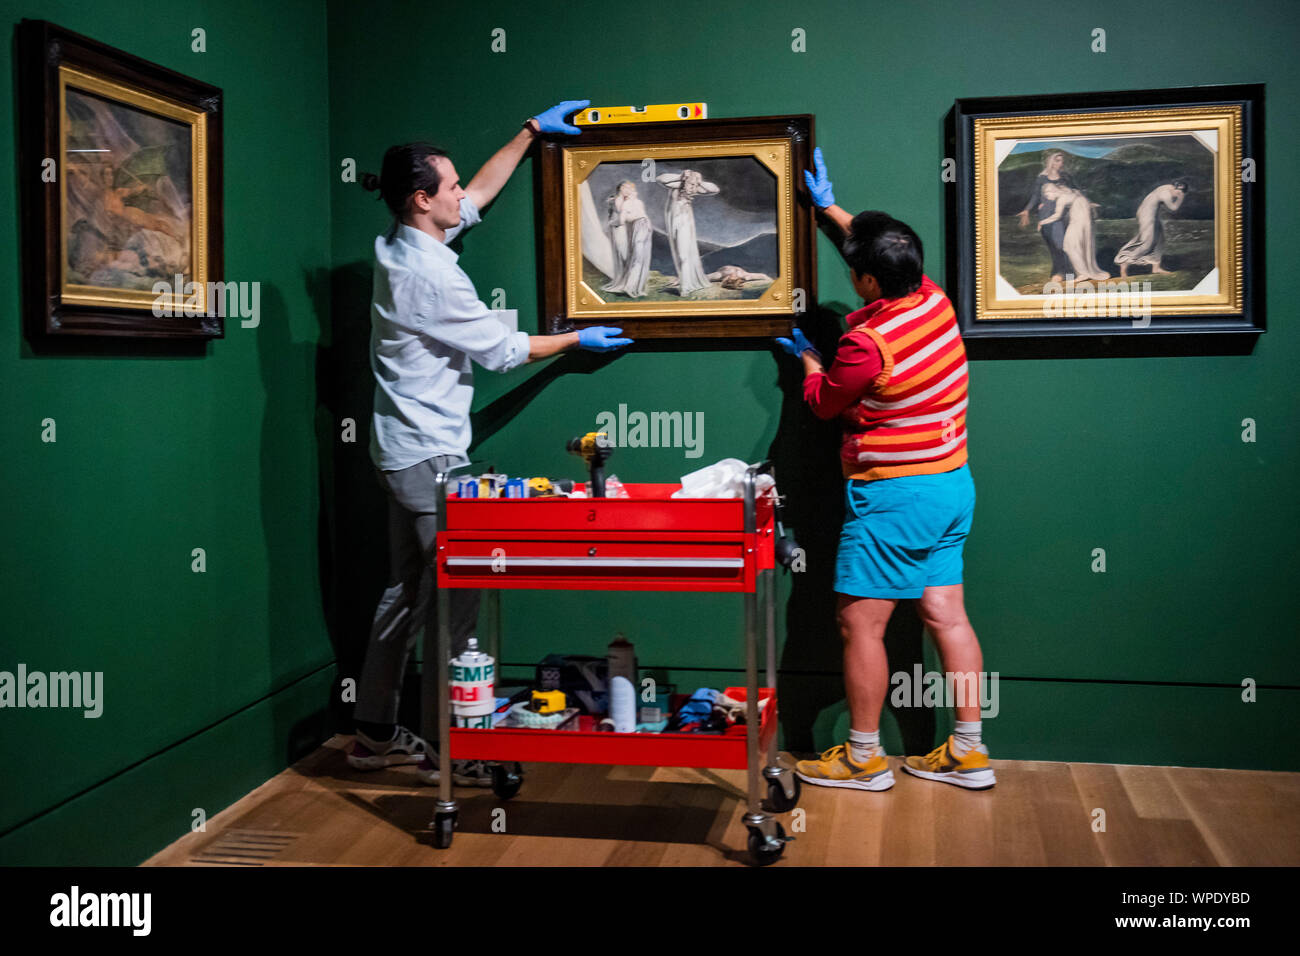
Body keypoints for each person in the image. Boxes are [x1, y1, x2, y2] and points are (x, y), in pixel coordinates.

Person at [348, 101, 633, 786]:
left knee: (404, 594)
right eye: (445, 187)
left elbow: (475, 197)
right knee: (456, 603)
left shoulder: (398, 242)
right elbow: (504, 352)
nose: (459, 195)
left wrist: (531, 133)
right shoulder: (430, 275)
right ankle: (454, 752)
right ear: (422, 200)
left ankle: (373, 733)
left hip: (399, 450)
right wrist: (575, 339)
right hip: (430, 457)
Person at [774, 147, 995, 792]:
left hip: (895, 495)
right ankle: (969, 750)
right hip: (952, 486)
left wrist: (810, 362)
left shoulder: (866, 344)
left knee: (858, 622)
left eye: (855, 269)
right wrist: (829, 209)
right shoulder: (933, 298)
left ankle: (864, 756)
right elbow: (876, 250)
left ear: (869, 283)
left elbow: (824, 404)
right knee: (946, 616)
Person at [1015, 150, 1075, 283]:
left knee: (1062, 245)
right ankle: (1057, 272)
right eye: (1058, 160)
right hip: (1044, 216)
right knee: (1052, 246)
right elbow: (1036, 196)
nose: (1061, 163)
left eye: (1062, 160)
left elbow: (1075, 192)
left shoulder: (1065, 177)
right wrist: (1027, 210)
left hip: (1060, 216)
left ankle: (1067, 274)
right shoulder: (1042, 178)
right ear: (1051, 161)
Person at [657, 168, 719, 295]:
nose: (693, 187)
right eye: (691, 184)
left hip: (684, 223)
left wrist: (699, 181)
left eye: (696, 185)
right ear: (685, 181)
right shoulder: (677, 185)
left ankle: (686, 287)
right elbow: (660, 179)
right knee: (679, 254)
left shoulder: (696, 189)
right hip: (673, 222)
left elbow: (715, 189)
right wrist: (681, 176)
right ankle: (686, 282)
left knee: (683, 255)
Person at [1113, 180, 1187, 277]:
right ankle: (1123, 263)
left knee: (1160, 240)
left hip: (1151, 214)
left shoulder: (1169, 187)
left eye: (1179, 193)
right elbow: (1173, 208)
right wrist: (1181, 197)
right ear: (1174, 187)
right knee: (1146, 243)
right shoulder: (1166, 193)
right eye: (1177, 192)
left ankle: (1156, 268)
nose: (1176, 195)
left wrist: (1179, 193)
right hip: (1146, 215)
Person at [1038, 181, 1109, 280]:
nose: (1047, 197)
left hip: (1078, 214)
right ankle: (1083, 272)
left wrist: (1042, 222)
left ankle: (1083, 273)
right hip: (1082, 210)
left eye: (1047, 194)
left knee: (1069, 246)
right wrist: (1089, 204)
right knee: (1077, 244)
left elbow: (1057, 216)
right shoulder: (1067, 190)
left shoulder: (1061, 199)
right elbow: (1078, 194)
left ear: (1052, 191)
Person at [601, 181, 652, 298]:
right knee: (626, 255)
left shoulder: (630, 201)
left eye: (631, 189)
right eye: (627, 188)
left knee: (631, 256)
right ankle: (627, 283)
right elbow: (620, 219)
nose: (630, 191)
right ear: (622, 188)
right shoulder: (620, 200)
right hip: (621, 228)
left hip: (631, 228)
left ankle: (630, 283)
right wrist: (613, 223)